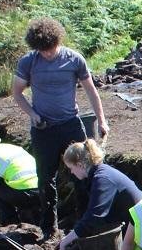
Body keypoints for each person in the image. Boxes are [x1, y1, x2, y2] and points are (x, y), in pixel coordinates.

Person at [11, 17, 111, 238]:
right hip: (43, 130)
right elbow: (17, 92)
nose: (47, 54)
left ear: (58, 41)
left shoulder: (74, 59)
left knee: (84, 173)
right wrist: (33, 114)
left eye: (50, 49)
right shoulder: (29, 62)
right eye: (42, 51)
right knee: (45, 178)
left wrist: (101, 119)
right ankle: (49, 229)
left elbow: (91, 91)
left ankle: (85, 224)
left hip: (71, 125)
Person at [56, 139, 142, 250]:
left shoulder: (102, 179)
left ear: (80, 165)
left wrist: (66, 240)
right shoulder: (98, 174)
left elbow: (94, 216)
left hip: (139, 228)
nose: (71, 172)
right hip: (126, 222)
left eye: (71, 168)